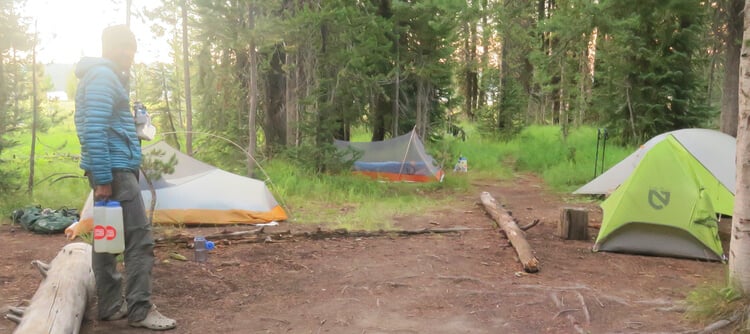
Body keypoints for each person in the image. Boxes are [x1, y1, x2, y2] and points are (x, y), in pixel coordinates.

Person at [74, 25, 176, 331]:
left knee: (107, 237)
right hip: (115, 172)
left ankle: (110, 306)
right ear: (108, 47)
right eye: (122, 47)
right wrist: (105, 178)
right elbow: (94, 130)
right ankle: (140, 310)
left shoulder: (104, 76)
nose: (128, 54)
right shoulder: (104, 76)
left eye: (131, 48)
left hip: (111, 169)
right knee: (139, 238)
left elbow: (104, 123)